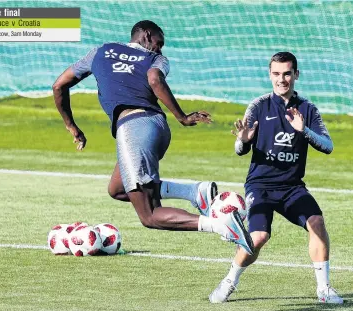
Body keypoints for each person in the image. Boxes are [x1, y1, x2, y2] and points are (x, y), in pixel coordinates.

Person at [52, 20, 254, 255]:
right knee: (118, 189)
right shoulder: (156, 60)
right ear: (146, 35)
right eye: (159, 43)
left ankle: (222, 226)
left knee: (149, 215)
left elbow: (59, 86)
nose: (160, 49)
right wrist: (181, 117)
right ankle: (193, 192)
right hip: (156, 127)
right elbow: (155, 78)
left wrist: (71, 126)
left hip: (133, 127)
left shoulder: (100, 51)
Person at [209, 52, 343, 304]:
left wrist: (304, 131)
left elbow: (328, 145)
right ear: (270, 75)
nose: (282, 79)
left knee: (316, 222)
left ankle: (324, 290)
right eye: (277, 74)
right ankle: (229, 281)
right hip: (260, 187)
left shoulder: (308, 109)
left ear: (296, 75)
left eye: (287, 74)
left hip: (292, 188)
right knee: (258, 238)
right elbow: (240, 150)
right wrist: (244, 139)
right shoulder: (259, 106)